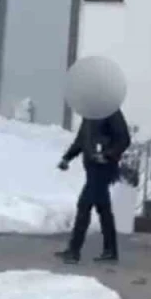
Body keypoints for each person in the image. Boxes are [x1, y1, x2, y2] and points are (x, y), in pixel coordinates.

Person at [56, 108, 131, 264]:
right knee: (103, 208)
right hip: (92, 167)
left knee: (84, 204)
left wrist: (107, 155)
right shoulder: (90, 112)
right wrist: (67, 158)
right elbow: (82, 139)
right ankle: (110, 251)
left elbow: (124, 139)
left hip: (104, 167)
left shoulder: (111, 111)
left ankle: (74, 251)